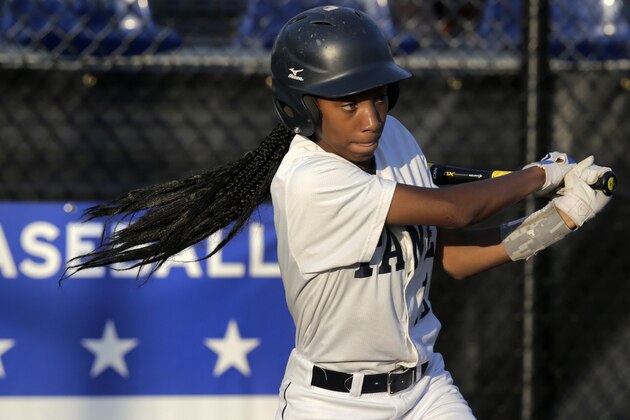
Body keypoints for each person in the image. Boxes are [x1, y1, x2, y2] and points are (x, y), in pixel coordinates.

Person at [64, 5, 613, 419]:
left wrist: (556, 220)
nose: (370, 118)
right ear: (304, 109)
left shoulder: (393, 139)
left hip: (425, 389)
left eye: (378, 97)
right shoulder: (309, 181)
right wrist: (540, 174)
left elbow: (439, 259)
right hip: (334, 403)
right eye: (348, 103)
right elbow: (455, 212)